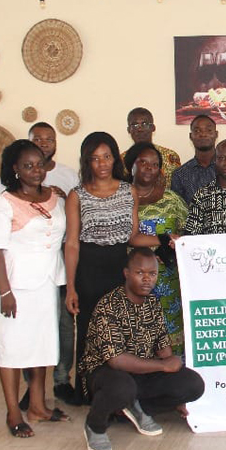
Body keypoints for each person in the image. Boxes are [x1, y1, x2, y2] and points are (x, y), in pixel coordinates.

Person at [64, 132, 163, 404]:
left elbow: (133, 237)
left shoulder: (127, 191)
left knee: (122, 330)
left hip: (119, 267)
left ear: (115, 158)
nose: (102, 163)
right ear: (87, 161)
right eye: (95, 158)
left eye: (106, 156)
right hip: (88, 269)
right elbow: (71, 243)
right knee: (89, 330)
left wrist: (166, 239)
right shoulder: (77, 195)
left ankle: (122, 390)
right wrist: (71, 287)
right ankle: (87, 392)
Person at [0, 140, 70, 437]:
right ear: (15, 169)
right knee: (11, 347)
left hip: (44, 282)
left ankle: (37, 407)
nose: (36, 170)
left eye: (39, 164)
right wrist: (5, 292)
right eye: (28, 166)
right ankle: (13, 413)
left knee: (41, 345)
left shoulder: (54, 197)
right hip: (11, 285)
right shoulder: (4, 202)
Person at [79, 248, 205, 450]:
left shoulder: (153, 303)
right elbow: (116, 360)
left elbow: (163, 347)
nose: (147, 279)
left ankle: (134, 408)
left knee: (193, 384)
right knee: (122, 387)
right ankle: (96, 425)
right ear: (127, 273)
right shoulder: (109, 305)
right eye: (140, 273)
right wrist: (163, 366)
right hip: (105, 374)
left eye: (152, 274)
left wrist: (176, 385)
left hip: (141, 371)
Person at [11, 122, 78, 406]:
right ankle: (33, 387)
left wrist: (62, 198)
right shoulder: (12, 182)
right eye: (37, 139)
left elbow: (78, 212)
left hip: (61, 259)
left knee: (64, 325)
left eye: (49, 139)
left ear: (55, 143)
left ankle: (62, 380)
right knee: (32, 327)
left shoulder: (68, 175)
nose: (43, 143)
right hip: (28, 265)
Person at [124, 142, 189, 357]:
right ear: (131, 166)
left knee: (171, 335)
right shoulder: (121, 198)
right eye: (143, 162)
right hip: (134, 280)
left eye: (154, 164)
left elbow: (188, 233)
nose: (149, 168)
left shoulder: (172, 199)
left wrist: (175, 245)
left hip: (169, 279)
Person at [171, 115, 226, 207]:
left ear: (216, 134)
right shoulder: (180, 174)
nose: (203, 134)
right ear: (191, 136)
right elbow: (178, 209)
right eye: (197, 131)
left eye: (209, 130)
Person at [121, 107, 182, 188]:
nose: (140, 129)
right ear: (129, 130)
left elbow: (178, 189)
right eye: (135, 125)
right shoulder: (121, 161)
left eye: (144, 124)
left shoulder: (170, 157)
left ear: (153, 128)